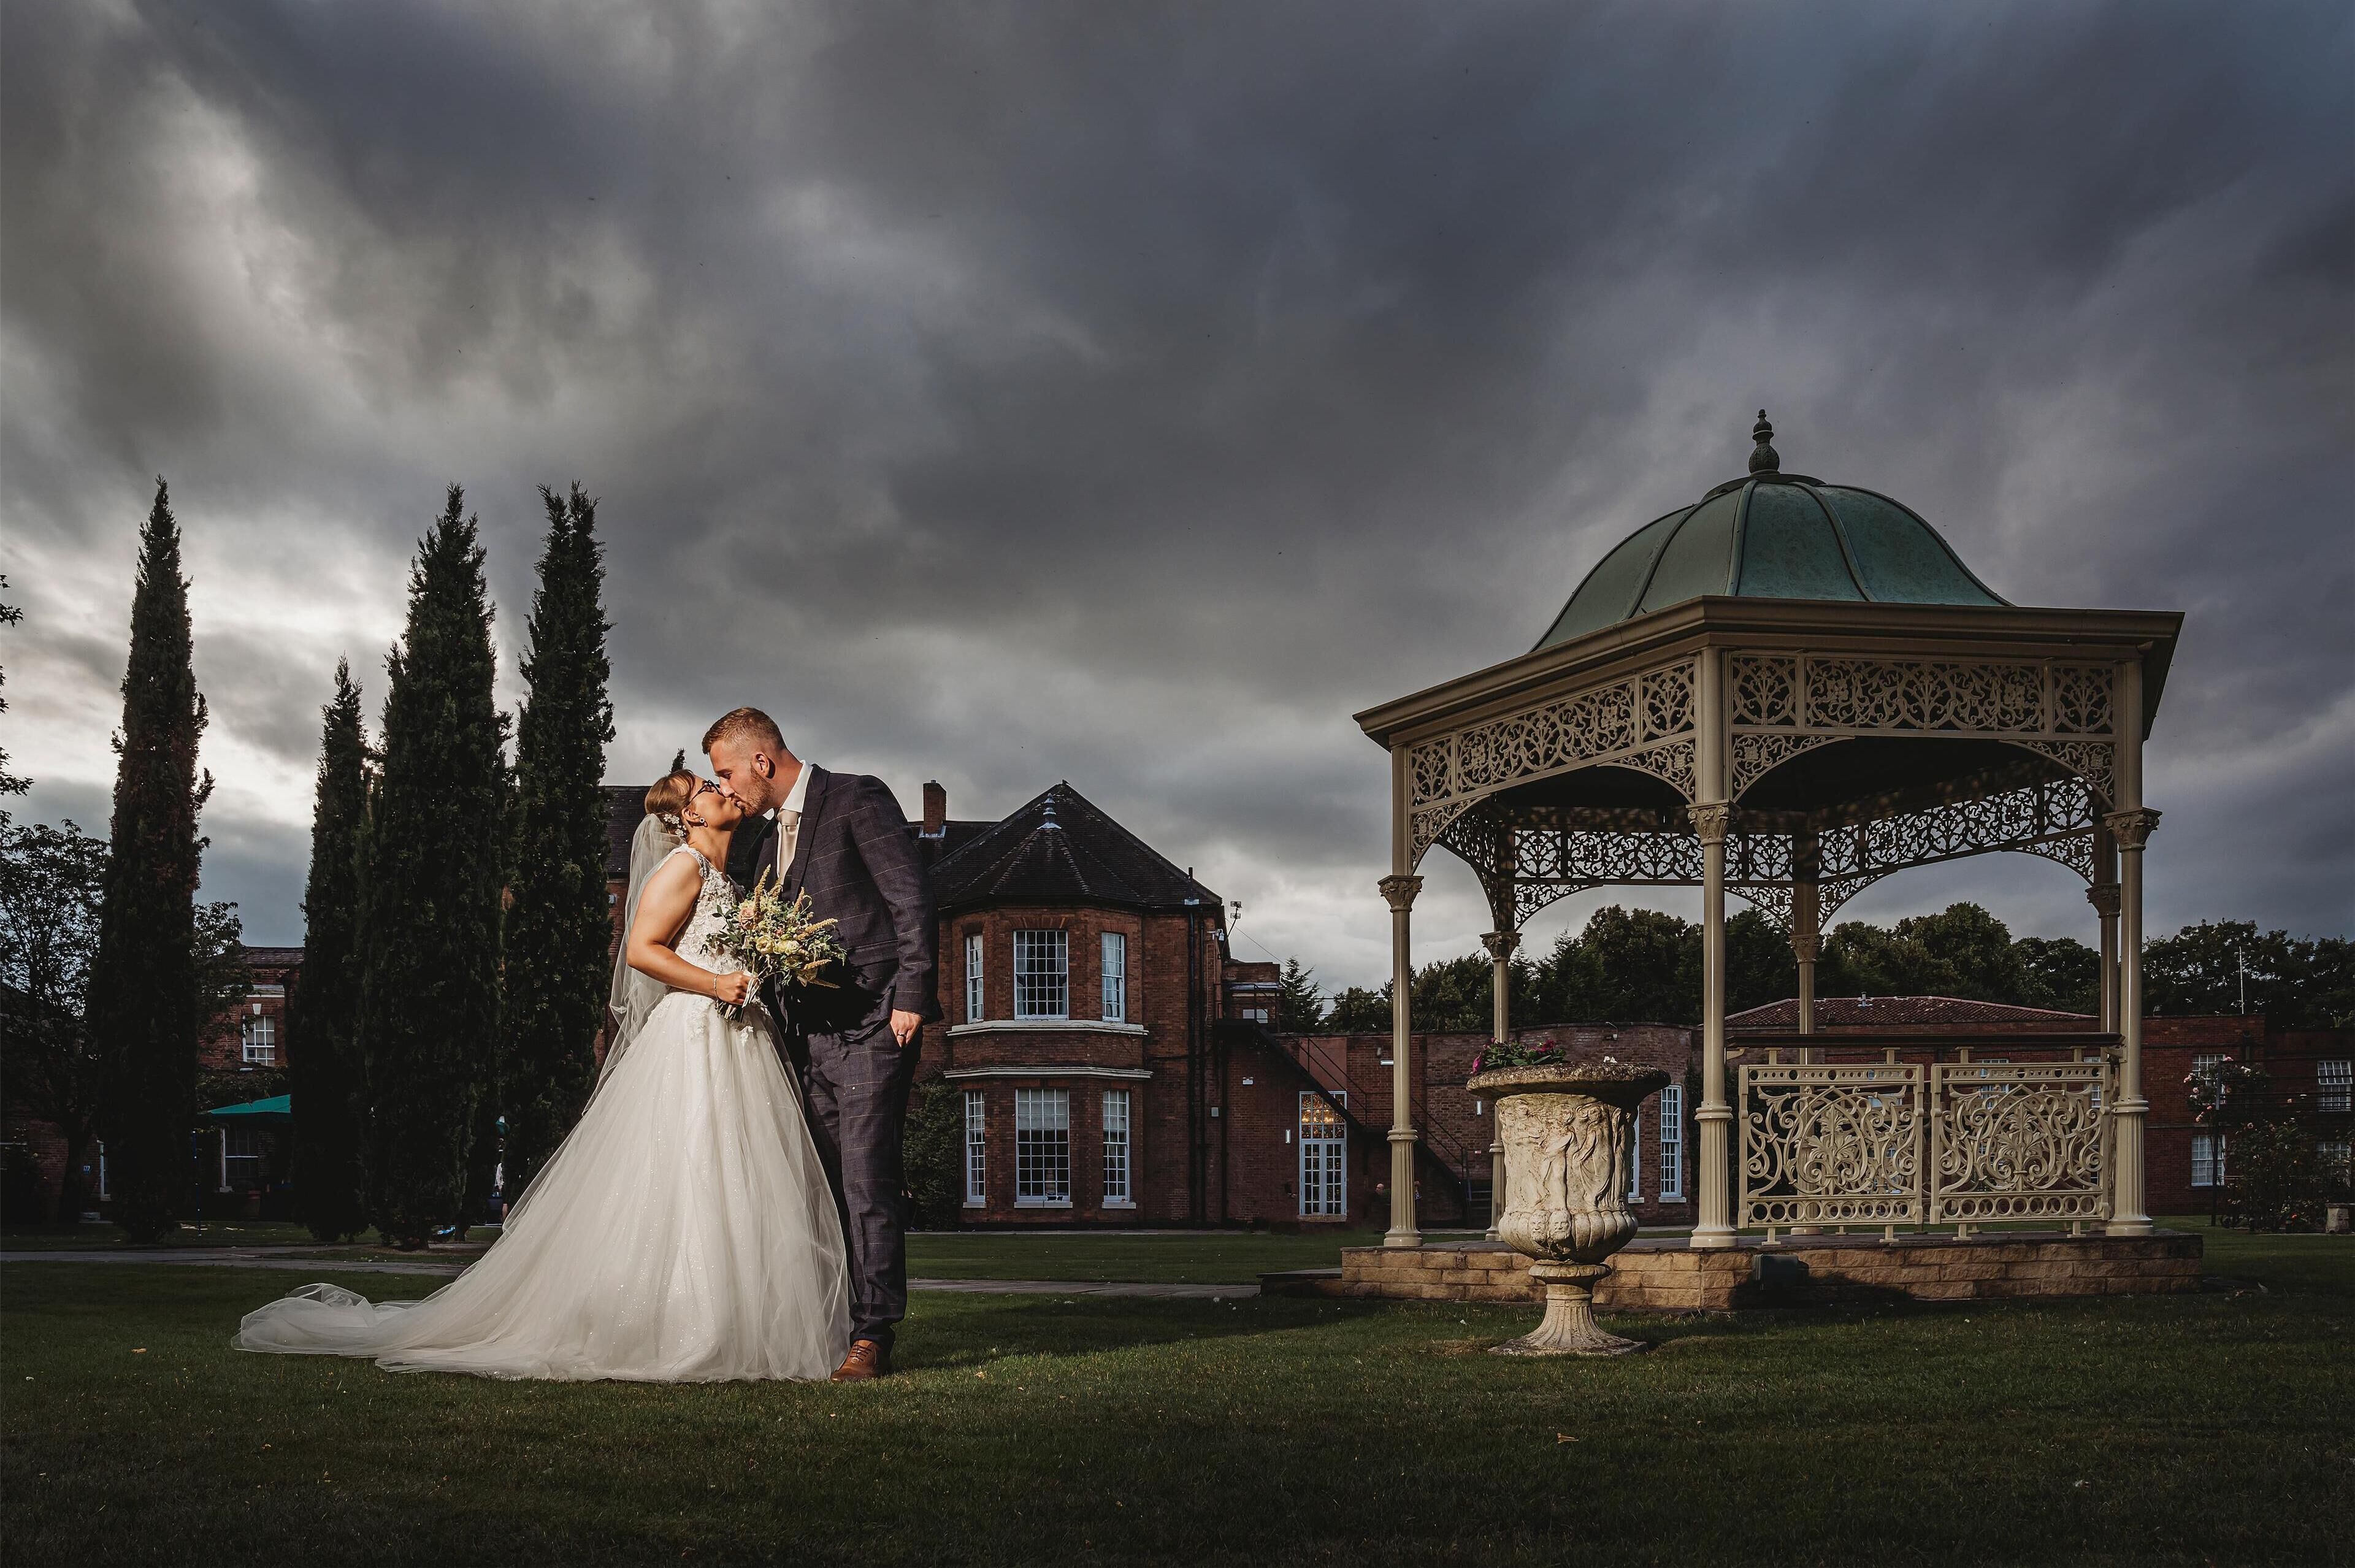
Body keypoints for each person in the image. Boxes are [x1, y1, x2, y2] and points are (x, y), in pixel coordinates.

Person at [233, 771, 850, 1381]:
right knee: (688, 1166)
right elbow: (640, 949)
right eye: (708, 790)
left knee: (734, 1172)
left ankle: (733, 1319)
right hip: (696, 1032)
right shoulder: (684, 868)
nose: (722, 791)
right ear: (687, 816)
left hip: (736, 1035)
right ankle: (681, 1321)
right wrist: (717, 982)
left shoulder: (726, 878)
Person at [705, 706, 937, 1382]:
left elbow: (910, 900)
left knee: (868, 1182)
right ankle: (839, 1320)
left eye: (727, 773)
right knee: (826, 1188)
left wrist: (914, 997)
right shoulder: (764, 840)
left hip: (873, 1025)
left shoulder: (857, 797)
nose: (726, 788)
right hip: (806, 1042)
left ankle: (872, 1334)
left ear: (763, 762)